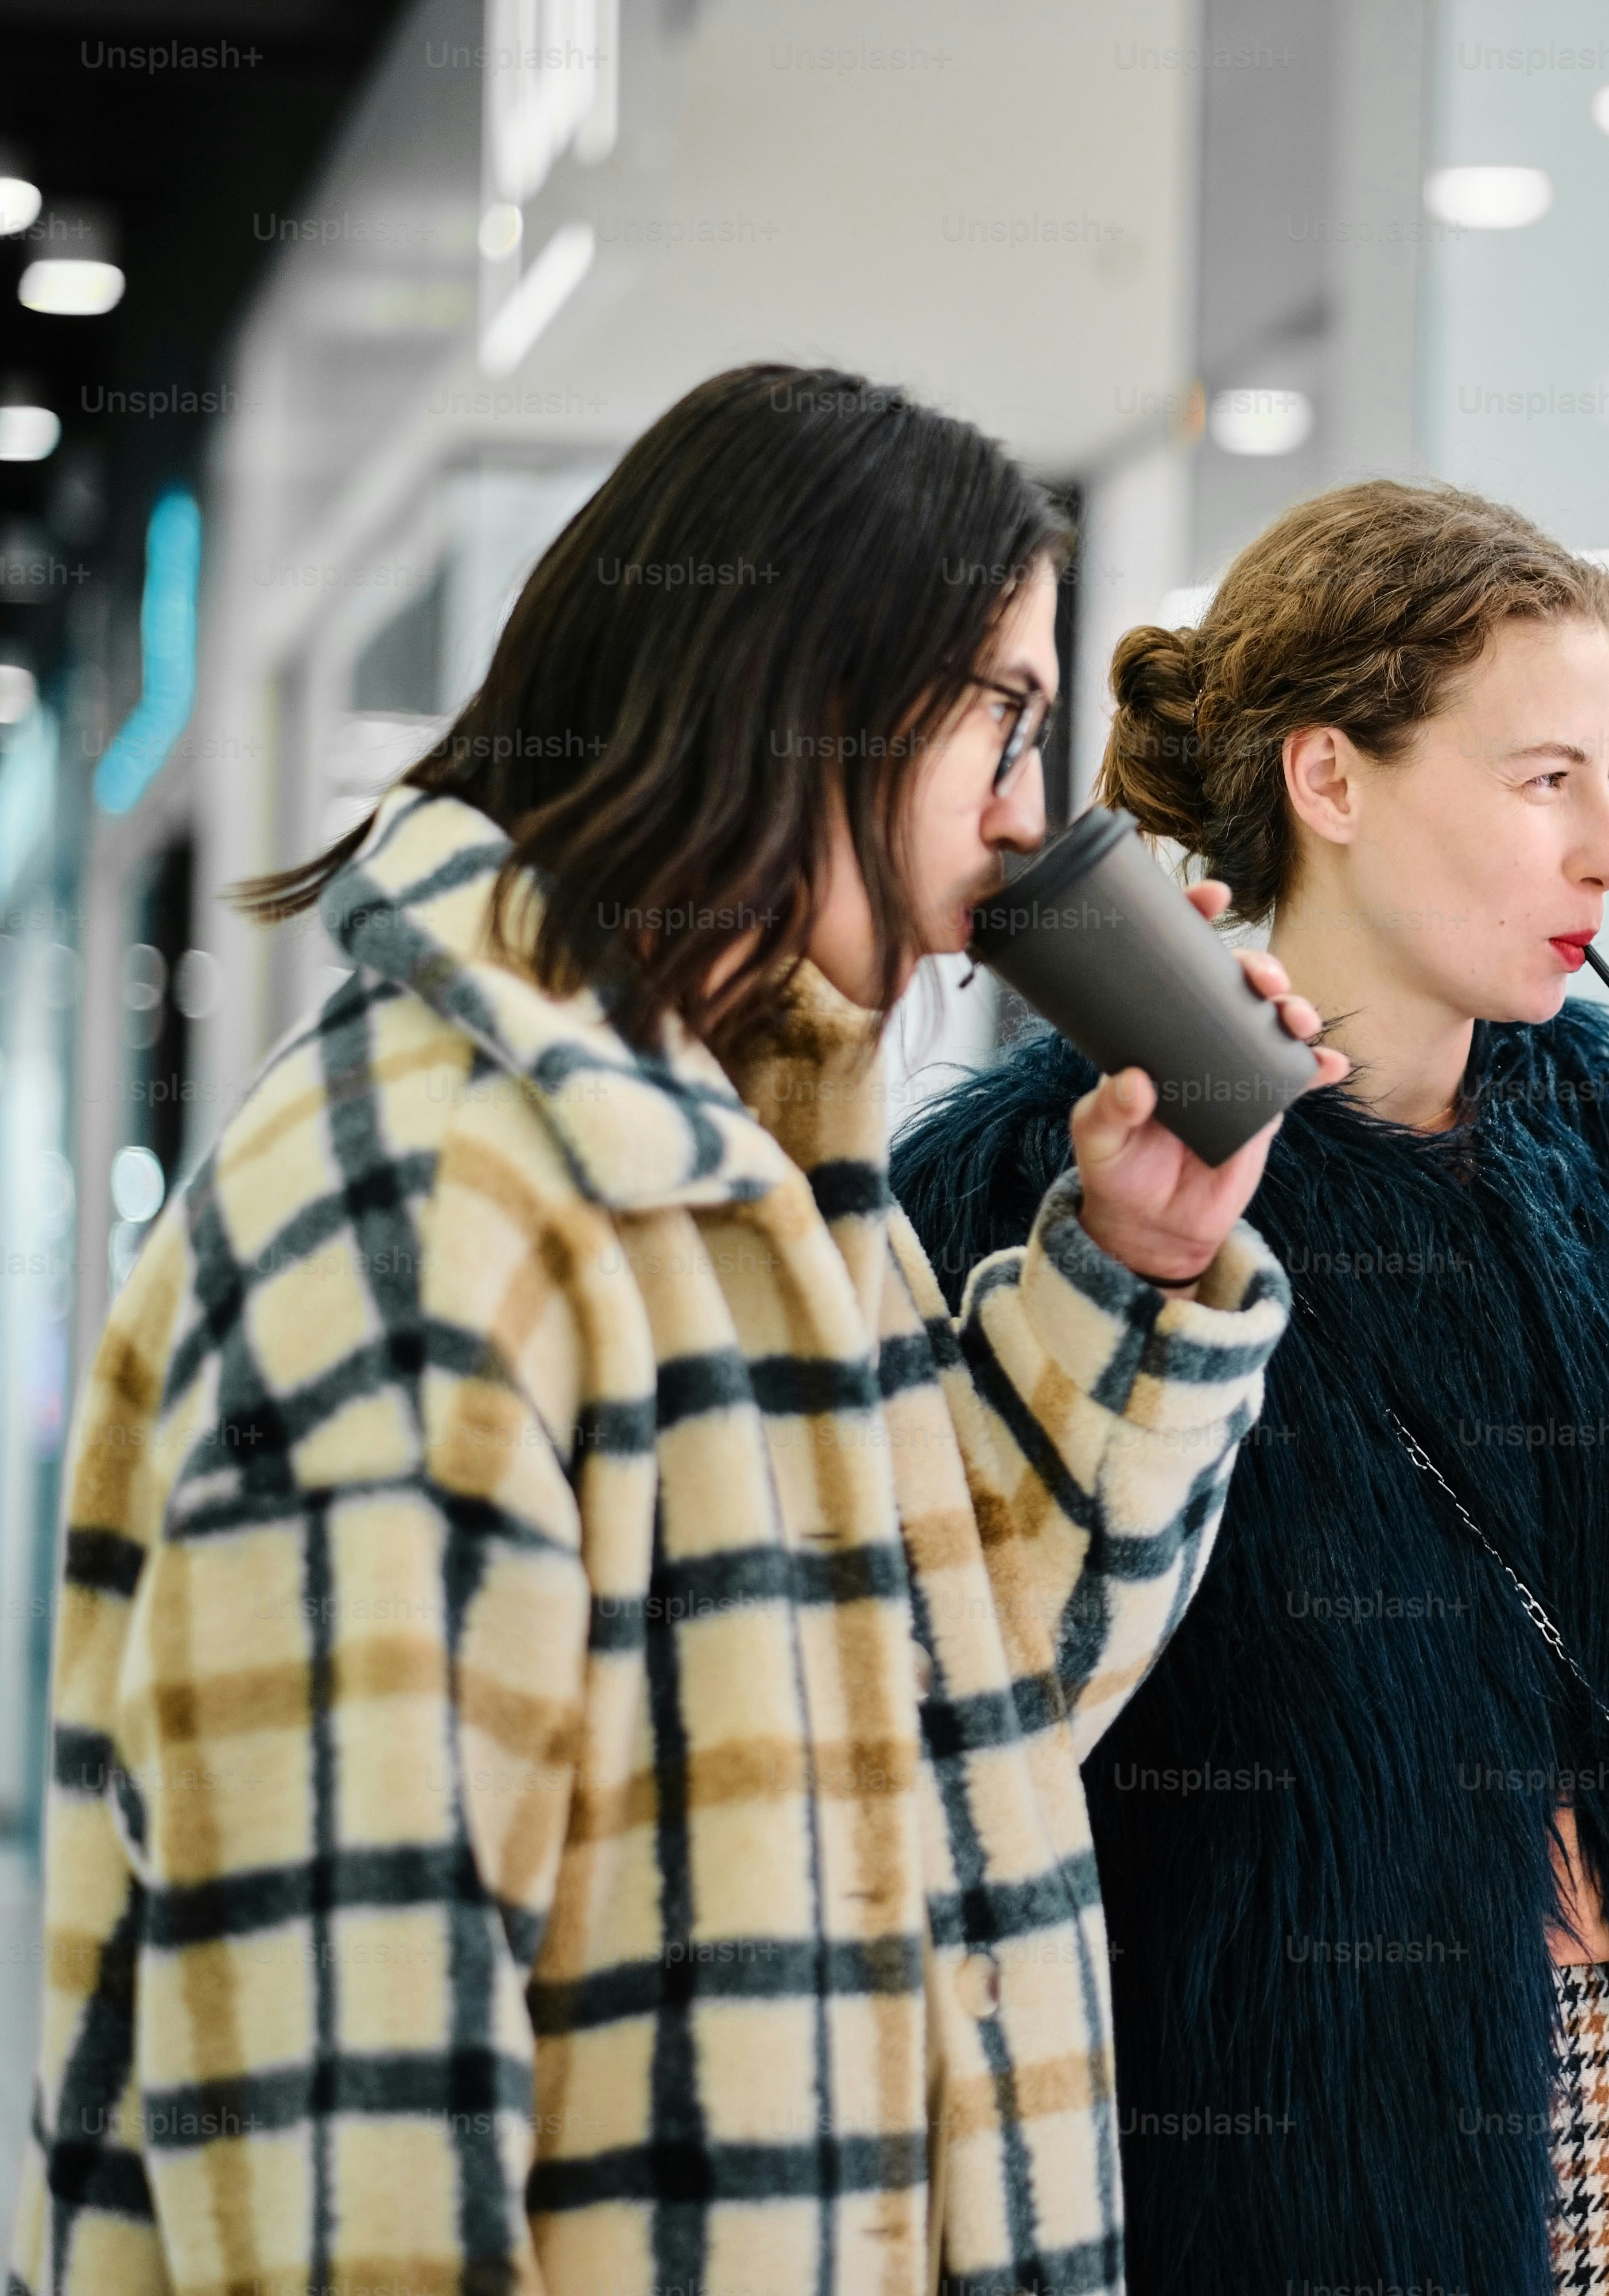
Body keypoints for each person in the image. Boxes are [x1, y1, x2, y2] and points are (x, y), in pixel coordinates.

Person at [15, 364, 1342, 2295]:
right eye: (1006, 721)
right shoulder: (428, 1201)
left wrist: (1134, 1267)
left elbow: (983, 1715)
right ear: (817, 690)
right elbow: (346, 2098)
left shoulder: (756, 1172)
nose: (1029, 815)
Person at [891, 479, 1609, 2296]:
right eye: (1542, 779)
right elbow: (968, 1747)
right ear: (1328, 781)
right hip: (1274, 2187)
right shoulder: (1035, 1203)